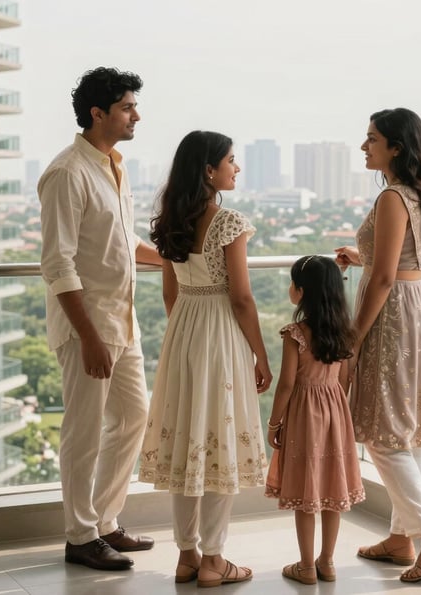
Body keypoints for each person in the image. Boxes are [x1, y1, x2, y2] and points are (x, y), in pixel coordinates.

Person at [38, 67, 163, 571]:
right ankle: (79, 536)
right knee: (83, 433)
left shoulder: (114, 165)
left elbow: (124, 244)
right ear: (98, 113)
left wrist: (177, 257)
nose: (137, 115)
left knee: (134, 416)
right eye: (128, 107)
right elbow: (58, 263)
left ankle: (106, 522)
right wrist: (88, 337)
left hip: (122, 323)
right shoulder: (67, 172)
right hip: (87, 329)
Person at [139, 130, 273, 588]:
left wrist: (185, 336)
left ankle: (187, 556)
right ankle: (215, 560)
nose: (237, 168)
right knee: (221, 444)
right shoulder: (228, 221)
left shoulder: (170, 219)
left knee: (187, 445)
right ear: (209, 170)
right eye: (231, 160)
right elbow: (241, 298)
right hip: (220, 334)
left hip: (184, 335)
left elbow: (169, 291)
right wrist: (260, 354)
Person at [335, 107, 421, 584]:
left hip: (394, 316)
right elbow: (412, 257)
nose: (364, 147)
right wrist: (361, 254)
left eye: (372, 139)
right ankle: (400, 538)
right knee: (410, 429)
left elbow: (385, 276)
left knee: (383, 433)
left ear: (396, 148)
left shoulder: (391, 197)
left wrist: (354, 337)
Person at [265, 255, 366, 586]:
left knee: (306, 490)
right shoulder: (346, 334)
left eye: (293, 283)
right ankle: (327, 562)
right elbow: (345, 379)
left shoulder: (295, 333)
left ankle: (306, 566)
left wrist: (274, 423)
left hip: (304, 415)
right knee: (331, 489)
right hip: (335, 412)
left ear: (301, 291)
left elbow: (286, 384)